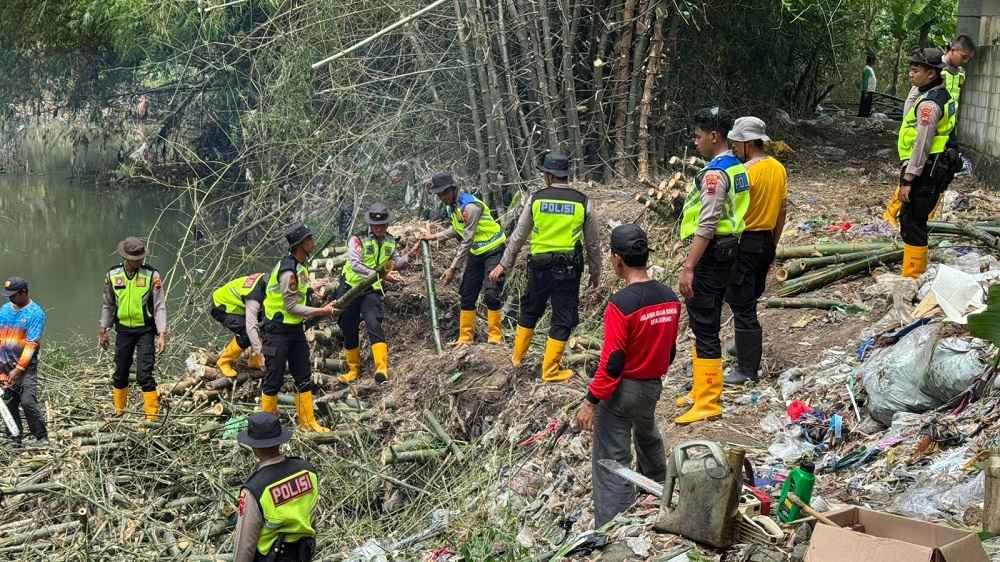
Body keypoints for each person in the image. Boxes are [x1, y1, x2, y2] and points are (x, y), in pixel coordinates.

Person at [575, 225, 680, 528]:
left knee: (611, 459)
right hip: (651, 388)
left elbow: (613, 362)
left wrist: (592, 401)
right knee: (647, 438)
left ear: (617, 259)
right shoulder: (669, 297)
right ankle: (660, 497)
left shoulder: (621, 305)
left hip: (623, 391)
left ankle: (614, 526)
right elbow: (670, 350)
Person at [488, 151, 602, 382]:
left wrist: (503, 265)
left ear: (548, 176)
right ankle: (550, 371)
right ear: (565, 175)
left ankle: (517, 358)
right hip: (568, 269)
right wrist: (595, 272)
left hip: (538, 267)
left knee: (530, 309)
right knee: (563, 316)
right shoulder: (582, 201)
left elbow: (518, 237)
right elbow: (593, 243)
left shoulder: (536, 199)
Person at [673, 107, 749, 425]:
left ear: (713, 136)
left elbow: (707, 222)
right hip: (728, 249)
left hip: (711, 253)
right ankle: (702, 389)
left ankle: (707, 401)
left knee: (704, 326)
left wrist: (689, 265)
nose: (695, 142)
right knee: (705, 323)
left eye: (698, 136)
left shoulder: (716, 174)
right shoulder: (738, 168)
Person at [723, 117, 788, 385]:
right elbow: (782, 211)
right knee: (749, 297)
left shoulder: (744, 173)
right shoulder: (778, 168)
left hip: (745, 242)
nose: (734, 148)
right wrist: (773, 243)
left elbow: (730, 212)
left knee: (742, 303)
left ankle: (747, 368)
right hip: (765, 241)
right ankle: (743, 345)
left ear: (749, 143)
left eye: (736, 144)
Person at [260, 224, 336, 432]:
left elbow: (299, 290)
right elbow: (291, 306)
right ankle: (266, 426)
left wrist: (313, 288)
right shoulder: (288, 271)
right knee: (273, 377)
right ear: (300, 245)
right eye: (310, 239)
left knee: (303, 374)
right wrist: (323, 311)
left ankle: (308, 422)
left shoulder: (300, 266)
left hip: (294, 330)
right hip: (276, 331)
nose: (314, 242)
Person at [891, 48, 959, 278]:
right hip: (934, 166)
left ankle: (912, 276)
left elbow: (922, 144)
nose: (910, 74)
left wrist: (908, 178)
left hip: (926, 168)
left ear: (931, 74)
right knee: (914, 219)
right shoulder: (936, 93)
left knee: (912, 221)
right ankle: (914, 271)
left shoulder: (929, 104)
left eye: (915, 70)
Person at [335, 204, 420, 385]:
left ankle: (381, 368)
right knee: (348, 326)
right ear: (370, 224)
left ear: (387, 225)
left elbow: (395, 262)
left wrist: (410, 256)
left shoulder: (390, 241)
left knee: (374, 323)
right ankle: (353, 370)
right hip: (350, 287)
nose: (379, 229)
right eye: (376, 225)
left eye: (382, 226)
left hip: (371, 289)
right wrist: (382, 275)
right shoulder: (357, 239)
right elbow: (356, 265)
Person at [422, 172, 507, 345]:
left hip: (494, 250)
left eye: (444, 193)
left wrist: (453, 268)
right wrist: (435, 236)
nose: (441, 197)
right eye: (439, 194)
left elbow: (467, 240)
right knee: (467, 295)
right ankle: (465, 338)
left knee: (491, 293)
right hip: (476, 253)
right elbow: (456, 229)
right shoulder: (452, 207)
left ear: (453, 189)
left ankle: (495, 337)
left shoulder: (470, 207)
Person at [233, 412, 319, 562]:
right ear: (279, 441)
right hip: (304, 553)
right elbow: (312, 518)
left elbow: (244, 546)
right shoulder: (307, 470)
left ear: (253, 446)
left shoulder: (254, 490)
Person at [100, 237, 168, 421]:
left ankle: (152, 417)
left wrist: (162, 333)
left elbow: (159, 306)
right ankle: (119, 412)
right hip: (123, 331)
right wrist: (103, 330)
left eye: (141, 257)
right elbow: (108, 304)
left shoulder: (151, 275)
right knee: (120, 372)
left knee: (144, 374)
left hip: (145, 330)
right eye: (135, 258)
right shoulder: (113, 275)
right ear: (126, 257)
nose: (139, 261)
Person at [0, 278, 48, 447]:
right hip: (4, 362)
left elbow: (31, 343)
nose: (10, 299)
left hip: (26, 365)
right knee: (9, 400)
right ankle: (14, 437)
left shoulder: (35, 313)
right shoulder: (5, 310)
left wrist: (19, 368)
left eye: (13, 295)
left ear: (24, 292)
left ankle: (41, 437)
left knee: (27, 400)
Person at [211, 273, 267, 377]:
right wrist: (261, 353)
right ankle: (223, 361)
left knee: (265, 325)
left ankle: (254, 360)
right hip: (223, 306)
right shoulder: (254, 296)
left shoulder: (271, 281)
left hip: (241, 305)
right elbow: (251, 328)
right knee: (246, 334)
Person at [942, 35, 976, 106]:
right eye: (964, 57)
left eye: (969, 59)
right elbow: (914, 96)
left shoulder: (961, 73)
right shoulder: (934, 66)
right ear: (953, 50)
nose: (966, 61)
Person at [859, 53, 877, 118]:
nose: (875, 62)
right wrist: (866, 91)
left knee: (867, 106)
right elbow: (866, 81)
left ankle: (865, 117)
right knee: (865, 106)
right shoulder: (867, 69)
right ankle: (862, 118)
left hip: (870, 90)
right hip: (867, 91)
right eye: (874, 61)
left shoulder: (870, 69)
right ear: (871, 61)